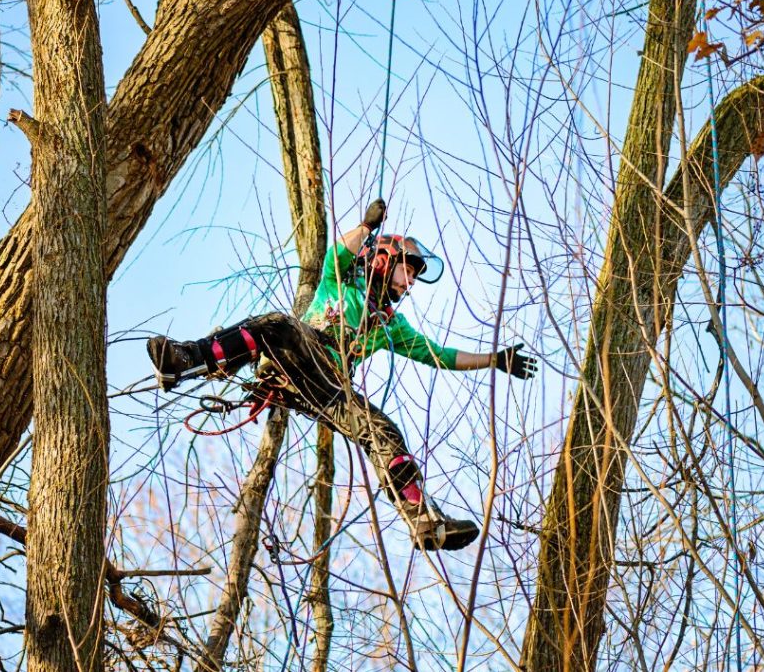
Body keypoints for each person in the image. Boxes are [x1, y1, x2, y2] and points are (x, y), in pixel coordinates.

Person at [148, 199, 537, 551]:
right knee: (276, 325)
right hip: (298, 350)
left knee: (380, 428)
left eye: (416, 276)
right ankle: (186, 359)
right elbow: (339, 252)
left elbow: (439, 355)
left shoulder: (388, 325)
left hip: (327, 385)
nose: (412, 281)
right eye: (408, 269)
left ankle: (422, 518)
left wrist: (493, 359)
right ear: (384, 260)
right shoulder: (339, 282)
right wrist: (367, 228)